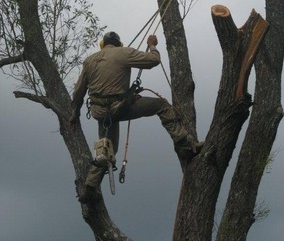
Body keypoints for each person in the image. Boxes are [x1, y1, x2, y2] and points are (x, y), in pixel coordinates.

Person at [70, 31, 201, 203]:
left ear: (103, 44)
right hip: (119, 108)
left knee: (107, 149)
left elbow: (78, 92)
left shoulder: (89, 60)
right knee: (161, 106)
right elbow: (154, 60)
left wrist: (74, 114)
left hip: (100, 113)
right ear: (118, 44)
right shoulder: (124, 53)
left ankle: (89, 188)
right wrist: (152, 45)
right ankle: (184, 144)